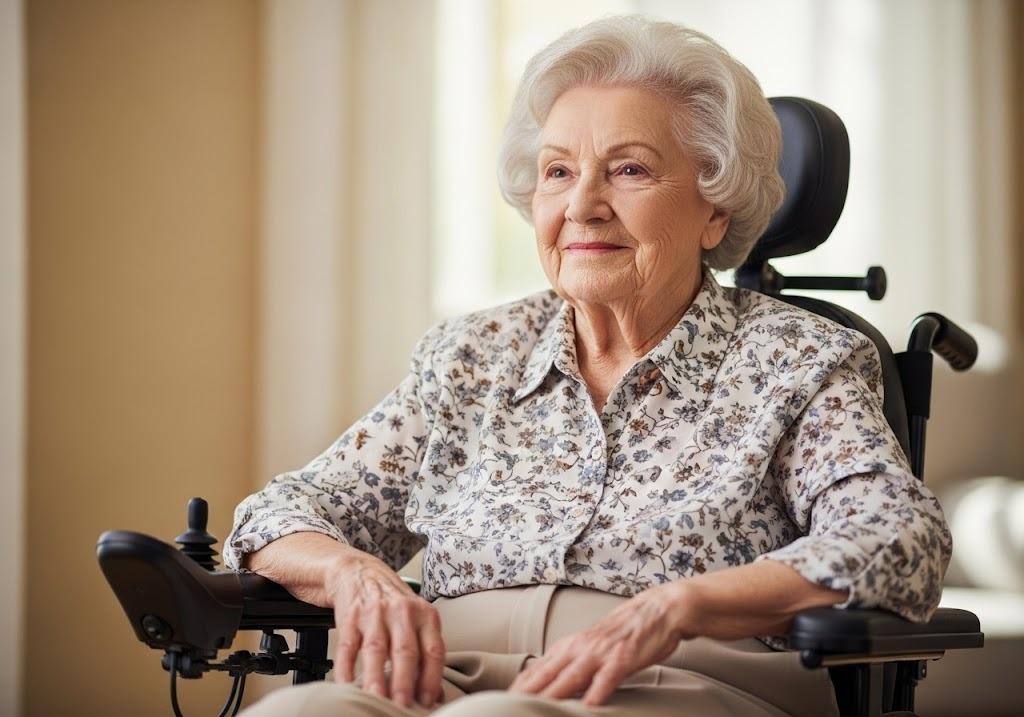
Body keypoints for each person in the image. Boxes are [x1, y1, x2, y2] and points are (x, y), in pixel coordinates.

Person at [226, 15, 951, 717]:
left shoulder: (796, 360)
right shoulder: (471, 356)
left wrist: (679, 605)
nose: (582, 205)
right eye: (557, 171)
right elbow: (282, 513)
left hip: (679, 682)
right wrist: (356, 573)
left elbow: (898, 535)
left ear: (715, 209)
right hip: (444, 679)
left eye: (629, 169)